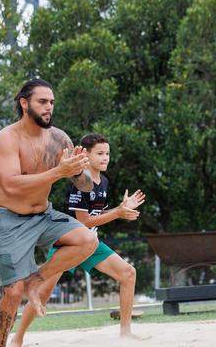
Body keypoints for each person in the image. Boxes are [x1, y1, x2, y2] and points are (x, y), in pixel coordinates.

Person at [0, 78, 99, 347]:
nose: (49, 107)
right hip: (7, 218)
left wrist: (75, 172)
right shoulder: (6, 138)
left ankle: (35, 281)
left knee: (88, 240)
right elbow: (10, 184)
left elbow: (85, 185)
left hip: (43, 215)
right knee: (12, 293)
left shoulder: (59, 138)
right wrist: (58, 171)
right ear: (24, 103)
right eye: (42, 102)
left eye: (51, 102)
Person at [10, 133, 148, 347]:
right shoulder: (79, 182)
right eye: (100, 153)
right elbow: (82, 223)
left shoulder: (104, 182)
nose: (105, 158)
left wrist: (121, 209)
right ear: (86, 154)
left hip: (91, 244)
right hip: (70, 243)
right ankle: (17, 339)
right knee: (44, 292)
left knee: (128, 273)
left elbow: (95, 219)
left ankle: (126, 332)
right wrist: (118, 212)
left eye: (108, 153)